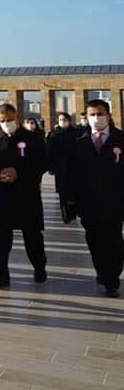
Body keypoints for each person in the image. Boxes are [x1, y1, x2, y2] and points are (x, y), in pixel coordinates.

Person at [0, 103, 48, 289]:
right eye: (2, 121)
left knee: (33, 237)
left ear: (16, 118)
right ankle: (1, 275)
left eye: (9, 120)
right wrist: (0, 174)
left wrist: (19, 172)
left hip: (27, 196)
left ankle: (39, 267)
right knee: (1, 240)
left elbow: (42, 164)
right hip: (2, 197)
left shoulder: (33, 138)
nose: (6, 123)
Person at [68, 100, 123, 297]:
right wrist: (70, 200)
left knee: (114, 239)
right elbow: (71, 173)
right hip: (88, 201)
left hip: (115, 201)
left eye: (99, 113)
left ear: (108, 115)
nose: (95, 118)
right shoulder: (79, 141)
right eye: (92, 114)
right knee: (94, 240)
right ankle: (102, 271)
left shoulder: (120, 139)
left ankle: (113, 277)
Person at [46, 112, 78, 224]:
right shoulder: (53, 134)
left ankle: (73, 212)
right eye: (60, 119)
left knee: (74, 191)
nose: (62, 121)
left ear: (69, 120)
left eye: (64, 119)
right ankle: (65, 215)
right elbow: (49, 151)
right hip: (60, 168)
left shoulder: (76, 133)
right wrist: (50, 166)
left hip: (74, 167)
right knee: (63, 192)